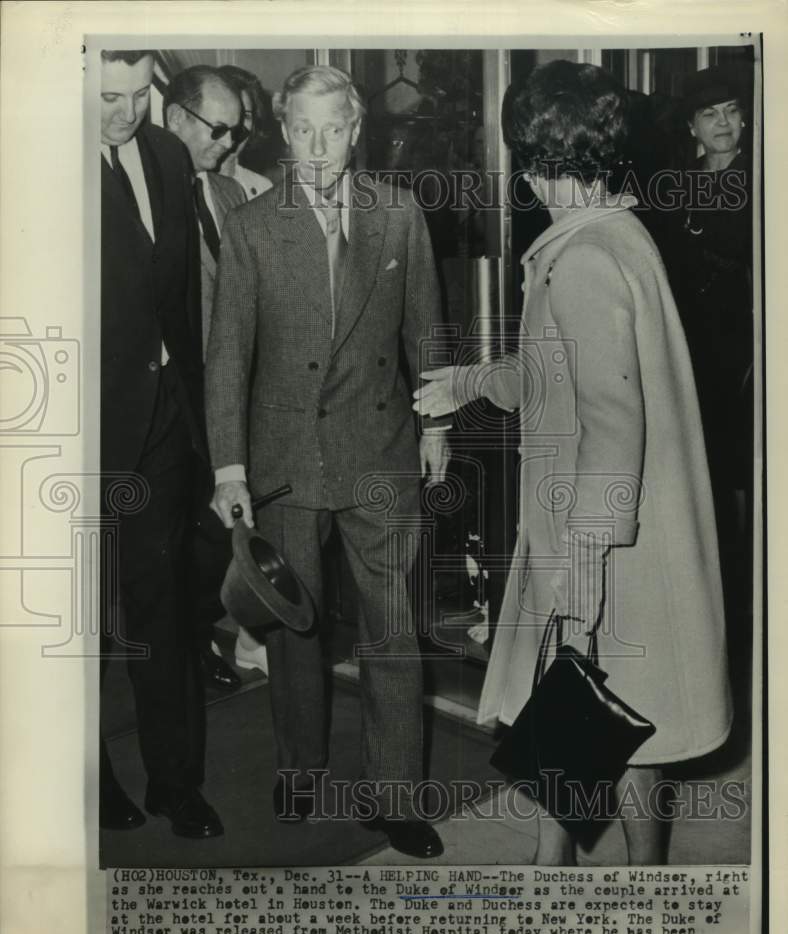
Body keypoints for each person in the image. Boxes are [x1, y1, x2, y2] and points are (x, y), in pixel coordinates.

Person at [414, 60, 733, 865]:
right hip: (623, 521)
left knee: (615, 706)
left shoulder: (584, 260)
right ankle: (556, 861)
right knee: (584, 701)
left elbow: (612, 417)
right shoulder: (612, 234)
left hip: (603, 530)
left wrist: (585, 558)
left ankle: (634, 877)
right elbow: (562, 374)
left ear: (533, 155)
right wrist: (471, 381)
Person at [205, 65, 450, 859]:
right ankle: (302, 769)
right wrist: (229, 470)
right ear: (283, 132)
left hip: (380, 451)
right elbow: (226, 361)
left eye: (332, 129)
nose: (317, 146)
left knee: (394, 631)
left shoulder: (399, 214)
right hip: (285, 459)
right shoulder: (250, 226)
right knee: (293, 633)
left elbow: (427, 335)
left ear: (355, 132)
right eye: (300, 129)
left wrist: (437, 425)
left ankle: (397, 793)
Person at [100, 50, 222, 837]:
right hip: (78, 425)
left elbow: (179, 293)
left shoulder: (170, 154)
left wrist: (198, 412)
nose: (124, 111)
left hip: (166, 420)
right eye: (107, 96)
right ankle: (89, 777)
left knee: (164, 609)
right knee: (72, 620)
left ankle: (175, 782)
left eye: (138, 93)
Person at [165, 66, 268, 687]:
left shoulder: (231, 197)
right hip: (173, 396)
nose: (229, 142)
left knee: (219, 527)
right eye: (219, 129)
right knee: (180, 532)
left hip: (228, 390)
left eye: (236, 131)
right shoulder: (141, 200)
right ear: (177, 117)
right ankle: (185, 644)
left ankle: (202, 629)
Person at [671, 66, 753, 629]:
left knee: (737, 469)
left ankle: (745, 592)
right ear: (692, 127)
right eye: (710, 114)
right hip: (688, 343)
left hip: (742, 350)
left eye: (731, 110)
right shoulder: (678, 182)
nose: (723, 123)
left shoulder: (764, 177)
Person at [218, 65, 275, 200]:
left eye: (246, 116)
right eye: (228, 114)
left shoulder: (263, 188)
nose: (236, 126)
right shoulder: (190, 182)